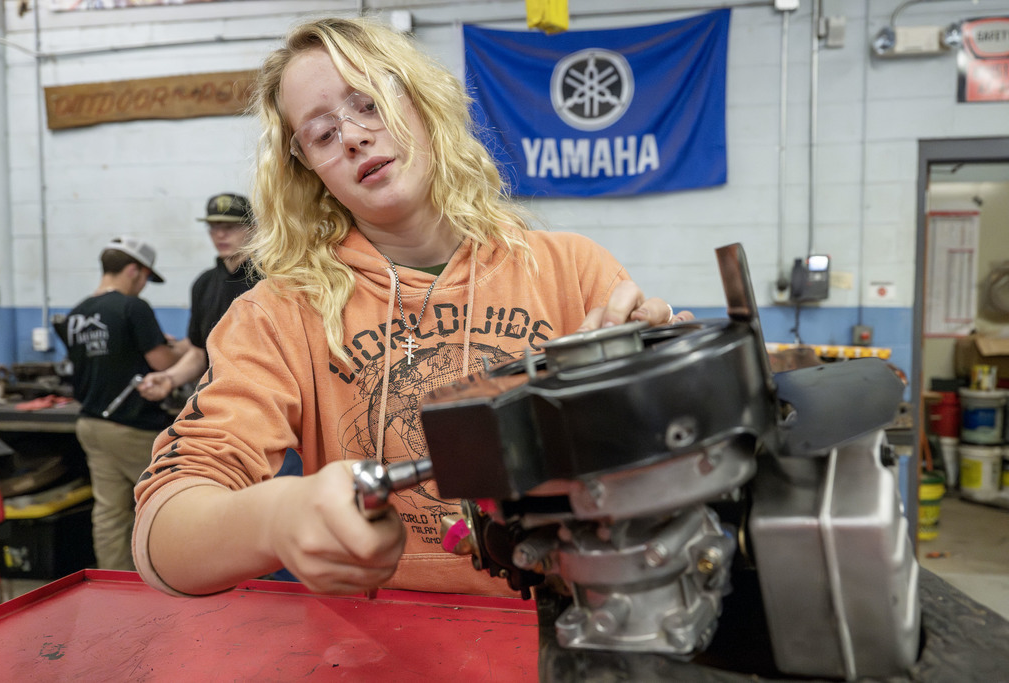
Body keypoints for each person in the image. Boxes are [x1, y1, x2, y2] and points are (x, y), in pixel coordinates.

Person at [133, 16, 691, 598]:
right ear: (311, 171)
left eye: (369, 103)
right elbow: (163, 539)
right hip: (376, 639)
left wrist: (654, 386)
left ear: (422, 103)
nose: (351, 137)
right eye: (322, 135)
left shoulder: (570, 270)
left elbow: (671, 473)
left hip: (563, 622)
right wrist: (274, 517)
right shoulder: (280, 313)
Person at [67, 236, 188, 571]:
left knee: (109, 512)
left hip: (91, 423)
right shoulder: (133, 307)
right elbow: (163, 363)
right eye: (147, 277)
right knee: (167, 501)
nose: (144, 286)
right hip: (131, 427)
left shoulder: (77, 313)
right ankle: (177, 577)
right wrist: (186, 350)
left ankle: (114, 583)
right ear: (135, 270)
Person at [137, 193, 261, 404]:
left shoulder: (270, 279)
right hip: (217, 400)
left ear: (252, 229)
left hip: (262, 398)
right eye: (213, 226)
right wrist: (169, 378)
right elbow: (198, 353)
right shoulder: (204, 284)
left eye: (230, 227)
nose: (220, 234)